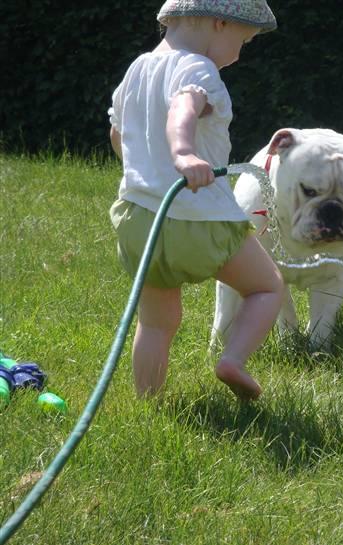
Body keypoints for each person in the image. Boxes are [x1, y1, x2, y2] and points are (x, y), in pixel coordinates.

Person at [107, 0, 283, 401]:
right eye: (245, 40)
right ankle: (232, 360)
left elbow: (119, 135)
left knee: (155, 323)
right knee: (266, 287)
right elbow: (183, 109)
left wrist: (145, 169)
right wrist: (184, 153)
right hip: (198, 219)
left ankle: (149, 403)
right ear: (220, 23)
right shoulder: (198, 68)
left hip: (140, 222)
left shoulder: (137, 69)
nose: (240, 55)